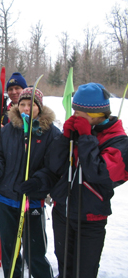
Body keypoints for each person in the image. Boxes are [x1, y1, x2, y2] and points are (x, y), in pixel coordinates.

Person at [33, 83, 128, 278]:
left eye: (79, 112)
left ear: (96, 114)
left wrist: (85, 137)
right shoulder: (76, 132)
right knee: (65, 267)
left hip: (90, 218)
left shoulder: (118, 140)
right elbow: (55, 165)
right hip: (63, 212)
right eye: (74, 110)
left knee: (83, 271)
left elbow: (99, 174)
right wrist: (65, 138)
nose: (75, 116)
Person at [0, 88, 59, 278]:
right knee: (10, 252)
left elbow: (54, 168)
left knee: (34, 252)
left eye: (31, 105)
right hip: (6, 198)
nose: (26, 108)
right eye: (23, 104)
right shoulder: (9, 129)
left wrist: (38, 181)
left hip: (32, 200)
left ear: (39, 107)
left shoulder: (50, 132)